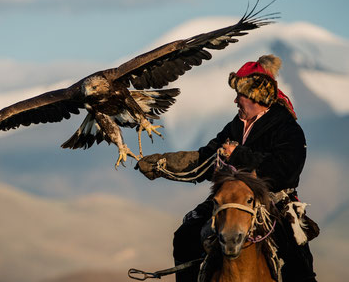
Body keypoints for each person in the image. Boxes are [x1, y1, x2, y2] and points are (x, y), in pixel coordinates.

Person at [135, 54, 317, 282]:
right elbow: (206, 158)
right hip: (229, 197)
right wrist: (163, 164)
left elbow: (286, 169)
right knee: (185, 236)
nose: (235, 101)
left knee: (296, 259)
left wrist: (239, 155)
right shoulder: (235, 126)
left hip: (272, 202)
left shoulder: (287, 128)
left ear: (255, 95)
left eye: (239, 95)